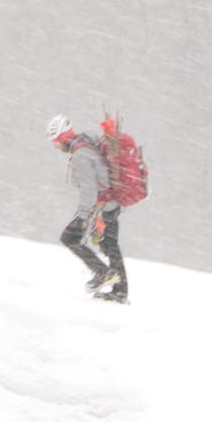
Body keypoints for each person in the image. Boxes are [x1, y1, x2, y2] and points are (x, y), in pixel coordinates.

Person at [52, 112, 129, 302]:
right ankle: (119, 291)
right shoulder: (88, 145)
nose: (56, 146)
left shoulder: (80, 155)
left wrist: (82, 217)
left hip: (105, 205)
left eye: (55, 141)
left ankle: (103, 273)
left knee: (70, 237)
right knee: (109, 244)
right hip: (111, 202)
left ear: (62, 138)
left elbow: (89, 189)